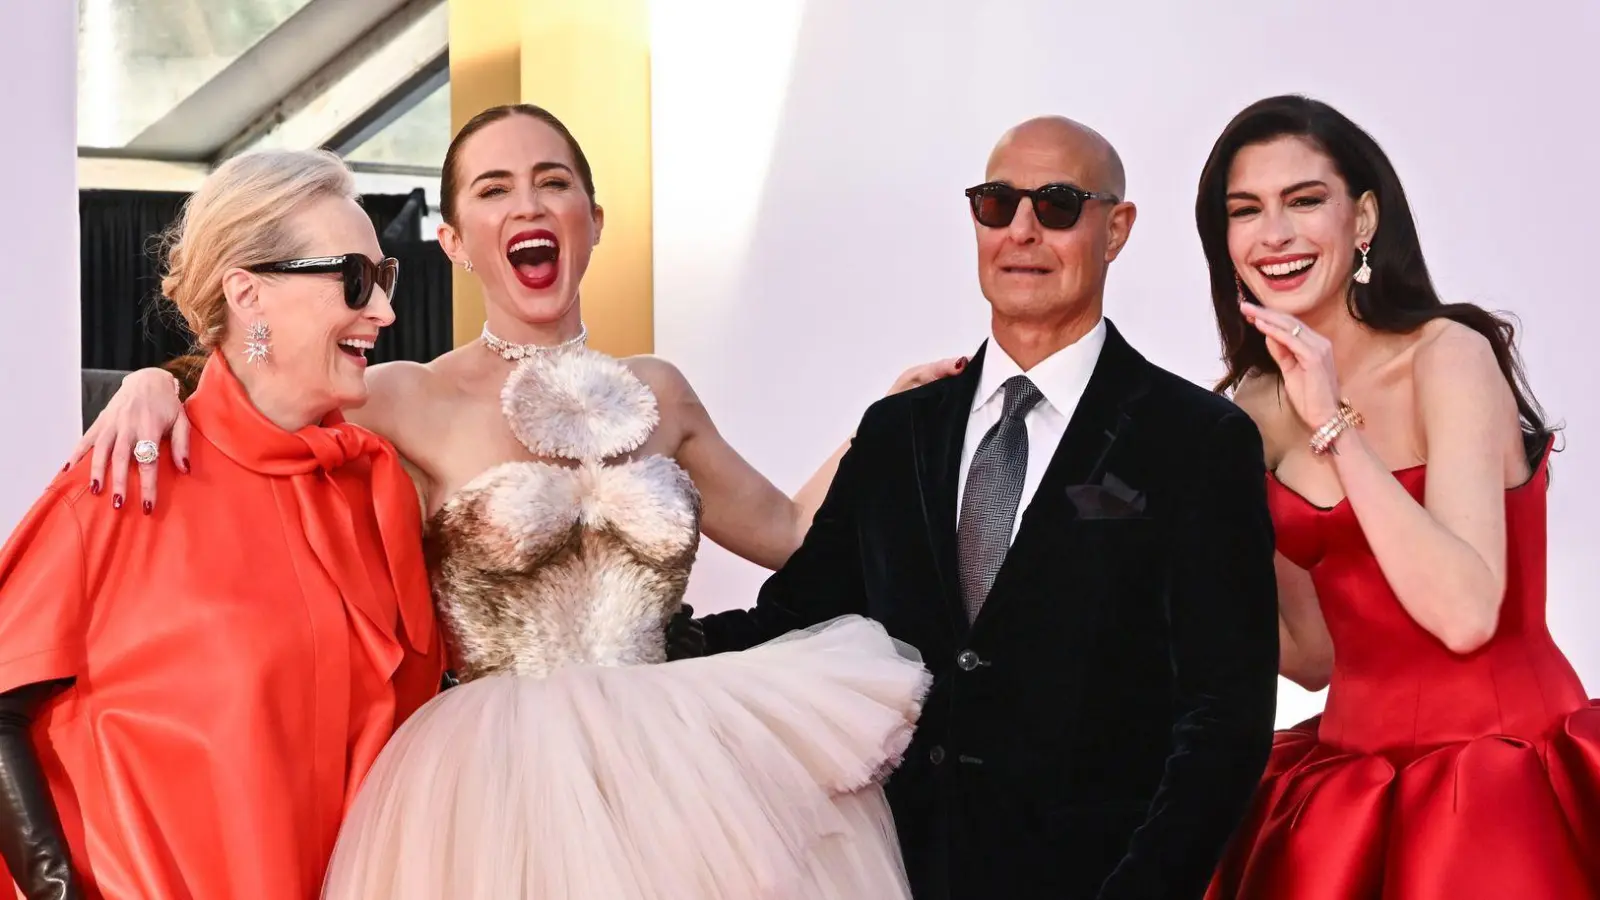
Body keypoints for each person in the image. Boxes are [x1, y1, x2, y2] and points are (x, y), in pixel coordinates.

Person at [71, 104, 963, 900]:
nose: (529, 205)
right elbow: (261, 394)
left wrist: (879, 426)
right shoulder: (402, 395)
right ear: (455, 242)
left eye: (554, 182)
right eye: (494, 190)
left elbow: (791, 531)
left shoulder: (662, 391)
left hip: (677, 768)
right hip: (493, 785)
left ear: (593, 221)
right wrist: (154, 382)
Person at [668, 116, 1282, 900]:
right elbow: (794, 622)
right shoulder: (897, 432)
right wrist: (622, 643)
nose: (1022, 230)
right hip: (895, 874)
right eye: (997, 204)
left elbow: (1223, 721)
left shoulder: (1196, 440)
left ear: (1116, 228)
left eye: (1057, 204)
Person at [0, 149, 445, 899]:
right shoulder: (129, 476)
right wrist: (56, 891)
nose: (384, 311)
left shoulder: (375, 491)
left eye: (385, 277)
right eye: (354, 279)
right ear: (248, 293)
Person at [1195, 95, 1600, 899]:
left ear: (1365, 218)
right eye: (1246, 211)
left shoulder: (1448, 356)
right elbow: (1311, 656)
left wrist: (1333, 426)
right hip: (1347, 791)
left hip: (1503, 783)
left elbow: (1466, 614)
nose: (1274, 234)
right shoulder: (1252, 412)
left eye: (1304, 200)